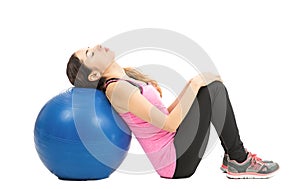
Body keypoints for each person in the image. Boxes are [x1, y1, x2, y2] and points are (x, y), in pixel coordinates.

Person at [66, 44, 279, 179]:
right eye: (90, 53)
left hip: (176, 147)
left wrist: (190, 86)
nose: (97, 46)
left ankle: (236, 159)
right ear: (93, 75)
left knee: (210, 89)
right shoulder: (117, 89)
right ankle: (238, 160)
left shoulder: (125, 81)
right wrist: (196, 85)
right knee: (213, 90)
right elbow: (169, 125)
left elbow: (164, 116)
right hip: (174, 162)